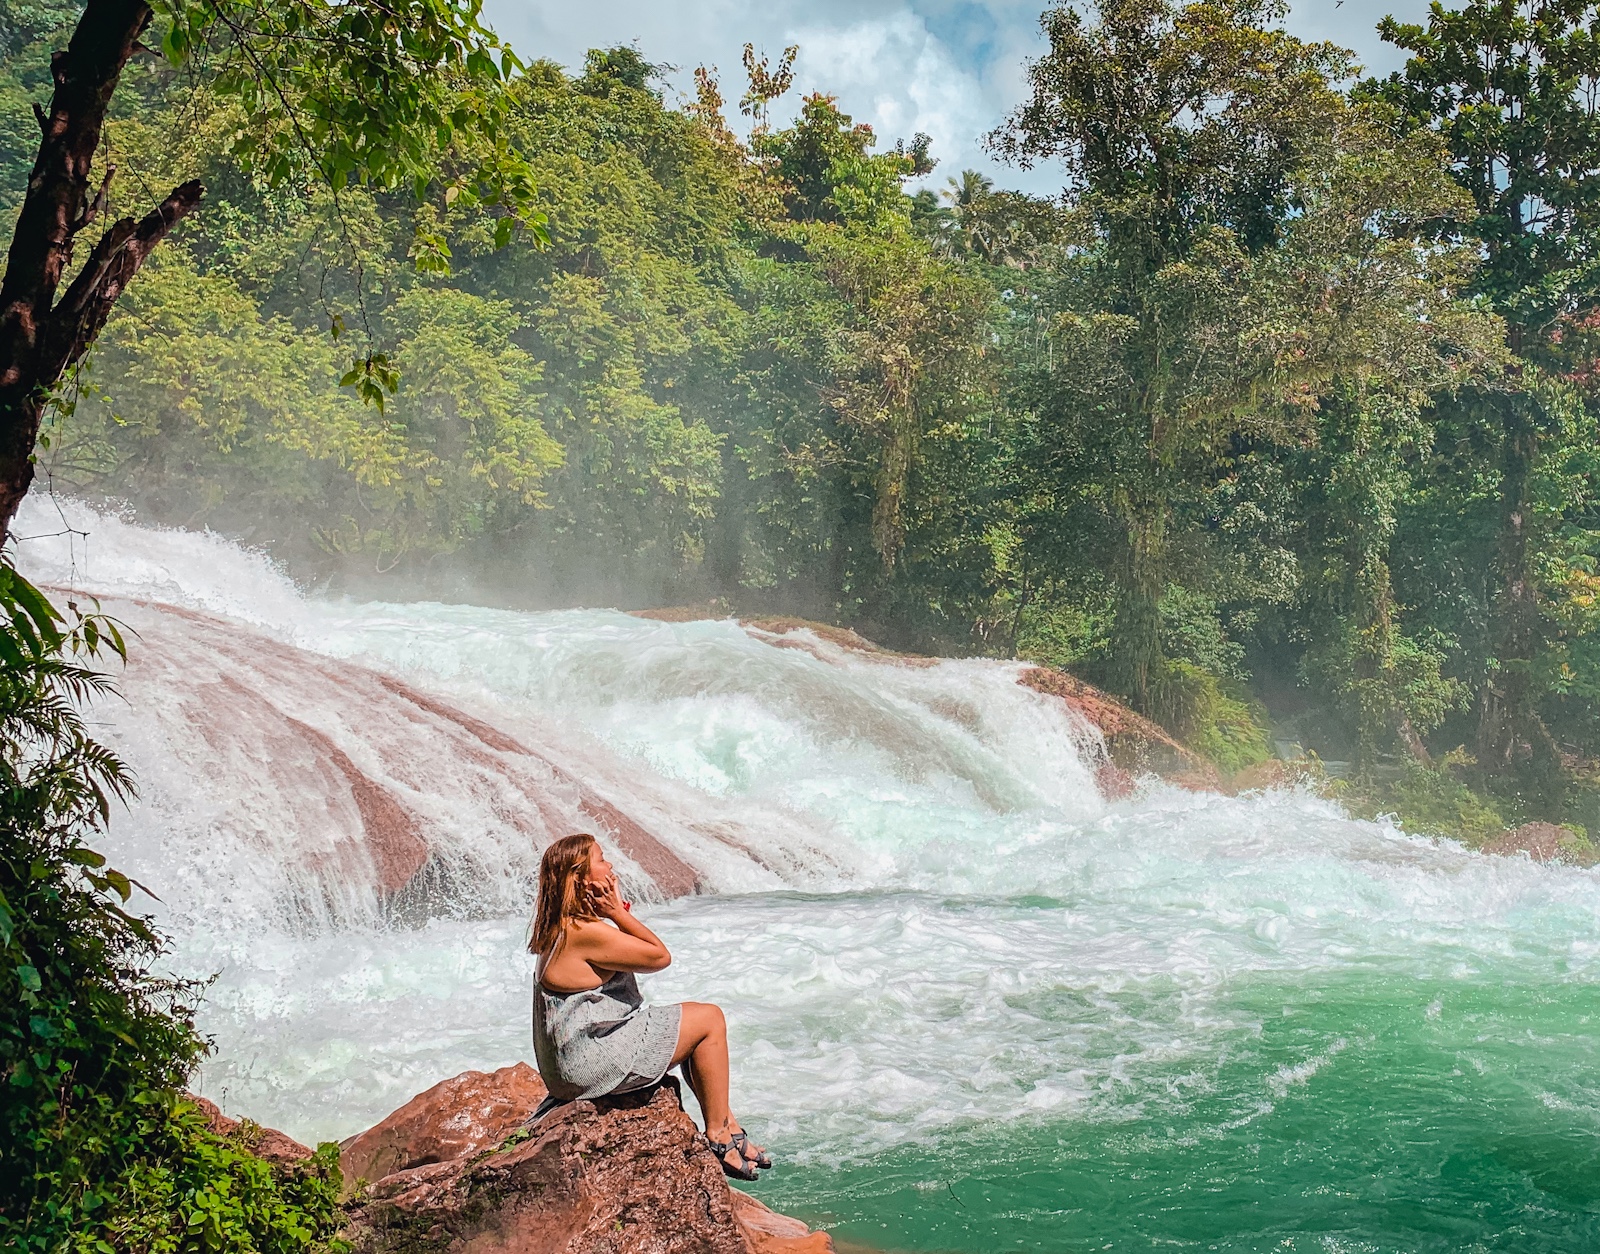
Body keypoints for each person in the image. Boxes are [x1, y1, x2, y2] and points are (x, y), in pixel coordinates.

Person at [528, 832, 772, 1180]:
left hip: (569, 1067)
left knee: (688, 1031)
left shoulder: (561, 930)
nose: (610, 865)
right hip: (590, 1064)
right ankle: (719, 1134)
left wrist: (615, 913)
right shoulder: (584, 933)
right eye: (601, 859)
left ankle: (727, 1124)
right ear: (579, 878)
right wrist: (616, 912)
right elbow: (659, 956)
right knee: (709, 1019)